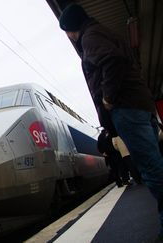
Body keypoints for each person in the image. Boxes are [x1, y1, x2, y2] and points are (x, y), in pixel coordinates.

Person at [59, 4, 163, 241]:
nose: (67, 36)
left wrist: (107, 99)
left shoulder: (90, 37)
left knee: (152, 169)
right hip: (140, 104)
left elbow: (112, 62)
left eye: (66, 30)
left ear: (71, 27)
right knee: (155, 163)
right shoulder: (102, 32)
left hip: (127, 108)